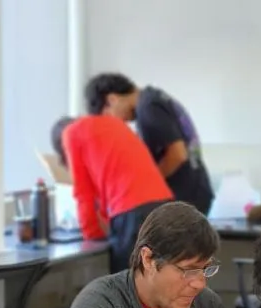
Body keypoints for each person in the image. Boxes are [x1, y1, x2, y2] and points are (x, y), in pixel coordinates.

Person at [67, 201, 243, 308]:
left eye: (205, 269)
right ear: (148, 259)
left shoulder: (208, 306)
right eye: (188, 270)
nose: (200, 283)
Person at [51, 115, 174, 274]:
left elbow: (83, 195)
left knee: (129, 284)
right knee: (165, 279)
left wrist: (93, 236)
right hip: (165, 207)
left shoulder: (71, 134)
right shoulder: (112, 122)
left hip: (134, 215)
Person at [84, 73, 215, 216]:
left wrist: (148, 184)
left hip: (185, 198)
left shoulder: (148, 107)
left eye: (109, 116)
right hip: (194, 192)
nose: (119, 122)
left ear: (112, 99)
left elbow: (178, 154)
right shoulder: (154, 98)